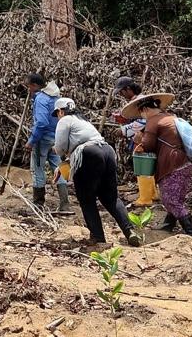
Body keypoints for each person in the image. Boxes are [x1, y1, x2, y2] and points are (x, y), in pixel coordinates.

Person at [52, 97, 141, 247]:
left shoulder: (65, 120)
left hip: (88, 154)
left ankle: (98, 237)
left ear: (61, 111)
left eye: (57, 114)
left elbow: (60, 147)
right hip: (107, 151)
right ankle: (130, 231)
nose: (58, 117)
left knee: (87, 199)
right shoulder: (84, 121)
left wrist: (58, 152)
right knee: (111, 197)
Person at [129, 92, 192, 238]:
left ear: (145, 110)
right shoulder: (170, 117)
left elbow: (148, 145)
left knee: (170, 200)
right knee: (176, 197)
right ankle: (169, 224)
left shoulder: (153, 121)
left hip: (172, 164)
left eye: (141, 113)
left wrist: (139, 139)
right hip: (184, 162)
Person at [26, 74, 70, 214]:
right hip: (56, 138)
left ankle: (38, 204)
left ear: (34, 86)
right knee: (58, 168)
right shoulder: (56, 97)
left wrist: (31, 141)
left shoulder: (41, 99)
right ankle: (64, 204)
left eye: (29, 86)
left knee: (38, 169)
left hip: (42, 140)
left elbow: (42, 122)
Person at [111, 77, 158, 208]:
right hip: (144, 137)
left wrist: (124, 130)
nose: (121, 95)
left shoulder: (141, 101)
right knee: (148, 166)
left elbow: (144, 121)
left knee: (143, 166)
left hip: (144, 137)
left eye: (122, 92)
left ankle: (145, 198)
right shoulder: (138, 100)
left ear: (128, 89)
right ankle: (152, 193)